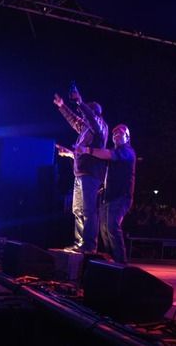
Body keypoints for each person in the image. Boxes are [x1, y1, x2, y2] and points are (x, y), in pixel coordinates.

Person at [54, 87, 108, 254]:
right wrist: (62, 106)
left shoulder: (99, 126)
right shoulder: (86, 128)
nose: (82, 117)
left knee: (88, 210)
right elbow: (73, 120)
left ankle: (89, 245)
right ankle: (80, 243)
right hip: (80, 173)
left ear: (93, 113)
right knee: (77, 209)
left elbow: (89, 118)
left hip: (91, 175)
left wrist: (79, 102)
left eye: (85, 114)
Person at [75, 124, 136, 264]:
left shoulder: (127, 151)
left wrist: (87, 150)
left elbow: (107, 154)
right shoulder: (114, 152)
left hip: (121, 196)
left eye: (121, 133)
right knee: (104, 230)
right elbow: (102, 159)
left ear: (127, 137)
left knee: (112, 227)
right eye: (114, 134)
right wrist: (71, 153)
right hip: (109, 197)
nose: (116, 135)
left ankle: (121, 263)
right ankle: (112, 260)